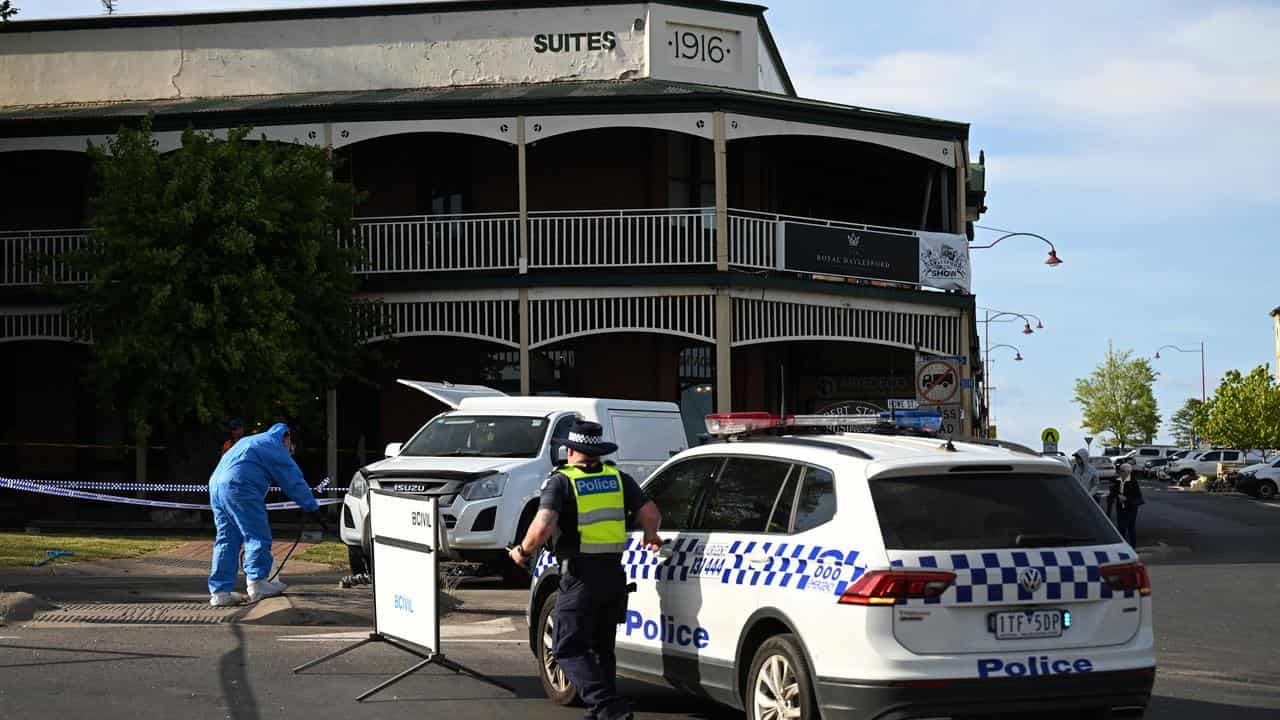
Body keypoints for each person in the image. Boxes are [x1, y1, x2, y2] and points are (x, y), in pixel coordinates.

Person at [509, 420, 663, 720]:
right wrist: (650, 534)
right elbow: (651, 513)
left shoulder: (561, 481)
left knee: (566, 648)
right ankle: (601, 710)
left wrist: (523, 551)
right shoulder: (618, 478)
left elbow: (543, 526)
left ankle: (609, 708)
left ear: (570, 451)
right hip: (614, 577)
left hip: (580, 577)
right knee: (601, 648)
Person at [208, 422, 322, 606]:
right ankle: (257, 583)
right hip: (241, 487)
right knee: (256, 535)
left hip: (216, 486)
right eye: (291, 449)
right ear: (287, 437)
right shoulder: (273, 445)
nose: (290, 453)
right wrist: (311, 506)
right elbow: (292, 479)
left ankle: (220, 592)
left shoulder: (251, 441)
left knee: (226, 539)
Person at [1112, 463, 1144, 546]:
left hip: (1131, 507)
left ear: (1128, 472)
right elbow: (1113, 491)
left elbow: (1137, 495)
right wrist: (1118, 495)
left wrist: (1126, 498)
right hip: (1120, 507)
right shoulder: (1118, 480)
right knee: (1120, 527)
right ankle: (1122, 545)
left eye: (1123, 471)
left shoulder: (1133, 481)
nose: (1120, 472)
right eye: (1120, 471)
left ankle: (1133, 545)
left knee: (1130, 527)